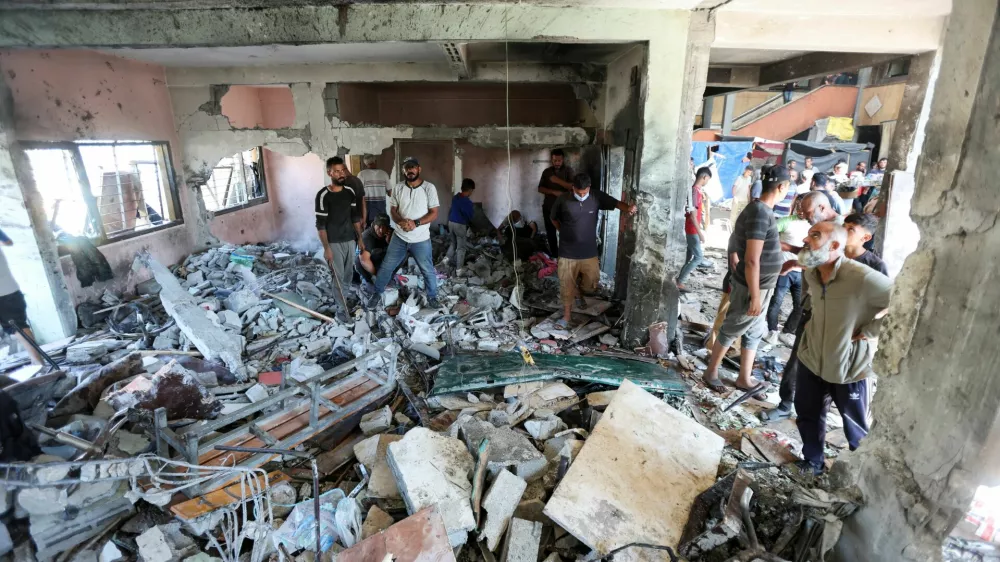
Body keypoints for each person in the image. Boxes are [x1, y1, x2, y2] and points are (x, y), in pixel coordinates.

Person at [792, 221, 893, 475]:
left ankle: (858, 477)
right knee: (807, 414)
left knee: (854, 427)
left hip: (849, 367)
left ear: (835, 245)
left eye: (814, 236)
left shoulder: (861, 277)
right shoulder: (811, 272)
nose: (806, 239)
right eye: (809, 234)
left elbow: (907, 302)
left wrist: (871, 331)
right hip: (812, 358)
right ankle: (813, 462)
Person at [702, 166, 789, 392]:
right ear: (782, 187)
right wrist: (756, 297)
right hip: (754, 286)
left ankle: (744, 377)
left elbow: (763, 243)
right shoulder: (761, 213)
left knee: (753, 332)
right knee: (733, 327)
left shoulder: (759, 209)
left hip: (761, 285)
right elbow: (751, 260)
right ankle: (711, 371)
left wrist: (793, 249)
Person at [550, 173, 636, 329]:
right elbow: (553, 218)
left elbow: (616, 203)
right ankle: (566, 317)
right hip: (567, 251)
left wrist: (629, 208)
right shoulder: (562, 200)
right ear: (573, 188)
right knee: (565, 284)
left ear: (589, 188)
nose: (582, 196)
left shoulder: (596, 197)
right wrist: (562, 231)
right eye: (578, 193)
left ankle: (578, 293)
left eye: (584, 193)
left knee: (592, 284)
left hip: (589, 251)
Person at [367, 157, 441, 308]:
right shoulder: (398, 188)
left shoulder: (429, 188)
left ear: (419, 169)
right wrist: (400, 221)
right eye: (407, 168)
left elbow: (434, 213)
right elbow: (392, 210)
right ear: (403, 171)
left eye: (413, 167)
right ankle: (377, 293)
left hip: (421, 239)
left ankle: (432, 297)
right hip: (400, 237)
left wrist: (416, 223)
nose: (410, 170)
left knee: (427, 269)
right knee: (387, 266)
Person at [316, 157, 365, 317]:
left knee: (349, 273)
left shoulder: (350, 192)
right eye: (337, 171)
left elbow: (355, 218)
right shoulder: (323, 195)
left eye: (343, 170)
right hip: (334, 242)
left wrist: (360, 239)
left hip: (350, 240)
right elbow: (321, 225)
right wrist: (326, 249)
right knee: (338, 277)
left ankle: (343, 300)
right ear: (329, 173)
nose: (341, 174)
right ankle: (340, 309)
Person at [764, 207, 811, 346]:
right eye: (799, 206)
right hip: (784, 269)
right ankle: (772, 330)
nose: (802, 210)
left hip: (803, 271)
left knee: (800, 305)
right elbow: (768, 235)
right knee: (776, 301)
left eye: (806, 208)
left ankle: (787, 331)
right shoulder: (785, 221)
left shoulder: (814, 224)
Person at [0, 229, 42, 365]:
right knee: (19, 327)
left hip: (6, 291)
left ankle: (38, 363)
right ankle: (38, 363)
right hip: (9, 290)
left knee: (19, 327)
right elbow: (8, 242)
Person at [677, 167, 711, 291]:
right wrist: (700, 233)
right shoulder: (695, 192)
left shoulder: (694, 191)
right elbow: (692, 215)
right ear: (704, 177)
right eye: (708, 179)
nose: (707, 181)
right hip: (692, 229)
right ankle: (680, 281)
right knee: (698, 257)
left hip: (690, 228)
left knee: (688, 256)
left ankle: (679, 279)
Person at [537, 149, 574, 259]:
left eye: (559, 160)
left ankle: (567, 254)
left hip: (564, 208)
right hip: (548, 207)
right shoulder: (547, 172)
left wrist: (557, 181)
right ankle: (555, 255)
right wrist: (553, 192)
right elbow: (540, 188)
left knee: (565, 231)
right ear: (551, 160)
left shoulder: (569, 171)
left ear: (563, 160)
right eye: (554, 160)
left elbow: (572, 187)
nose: (557, 163)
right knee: (550, 232)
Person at [445, 178, 476, 271]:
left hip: (451, 223)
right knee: (461, 248)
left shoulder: (455, 197)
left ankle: (445, 261)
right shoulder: (467, 202)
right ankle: (459, 270)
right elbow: (469, 216)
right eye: (472, 190)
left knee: (453, 244)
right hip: (459, 225)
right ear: (470, 190)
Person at [356, 213, 392, 288]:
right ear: (373, 224)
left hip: (382, 262)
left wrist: (389, 242)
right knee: (358, 261)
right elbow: (364, 261)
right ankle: (368, 280)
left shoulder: (391, 233)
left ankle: (390, 277)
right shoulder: (366, 237)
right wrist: (378, 276)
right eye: (379, 226)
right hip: (369, 264)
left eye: (384, 227)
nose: (381, 230)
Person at [357, 155, 391, 227]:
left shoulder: (361, 174)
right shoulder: (384, 174)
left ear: (365, 164)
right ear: (376, 161)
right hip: (381, 205)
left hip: (367, 206)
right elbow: (390, 192)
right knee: (381, 226)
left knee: (369, 228)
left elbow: (358, 193)